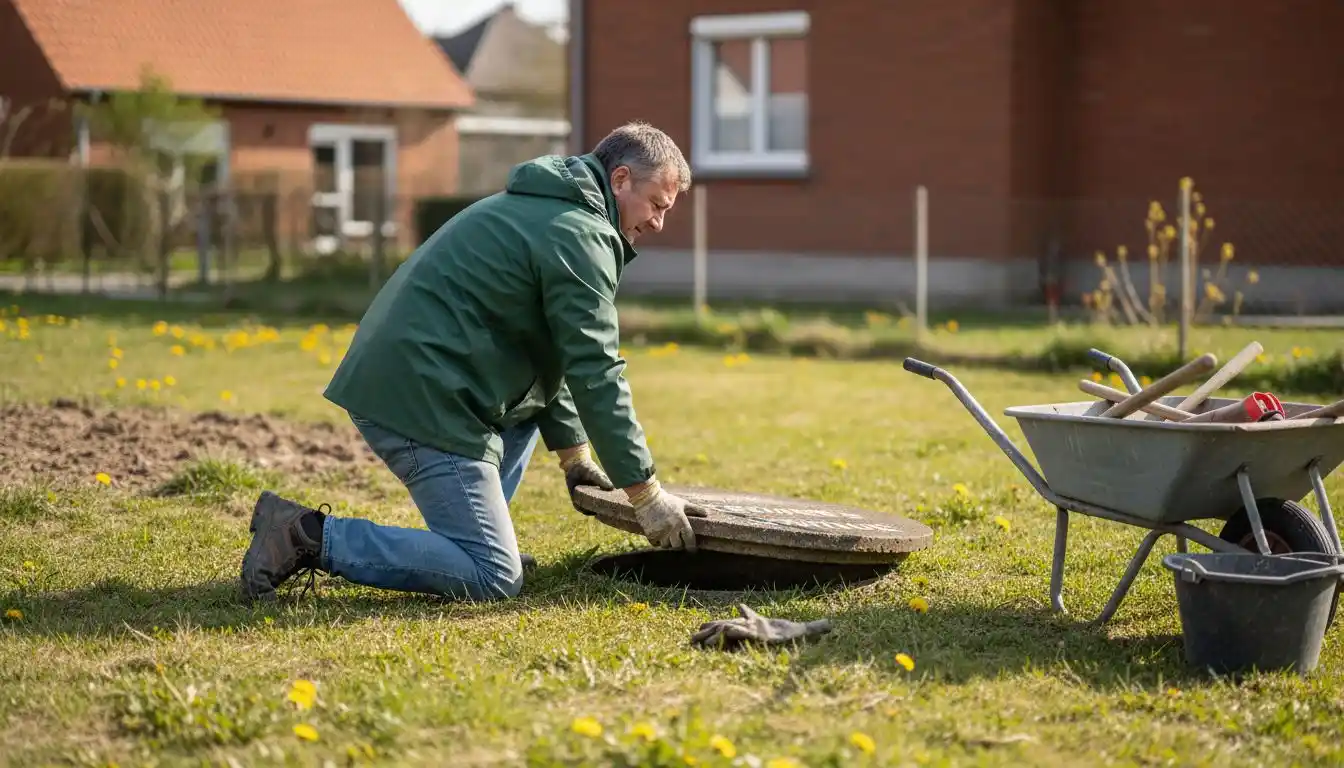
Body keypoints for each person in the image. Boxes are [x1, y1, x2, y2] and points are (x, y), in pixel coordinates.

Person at [239, 121, 707, 604]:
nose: (659, 223)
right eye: (657, 205)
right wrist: (645, 494)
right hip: (420, 393)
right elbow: (596, 370)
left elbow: (553, 352)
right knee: (494, 576)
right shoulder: (580, 233)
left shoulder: (554, 211)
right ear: (621, 179)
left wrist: (575, 457)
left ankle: (470, 545)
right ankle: (304, 535)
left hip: (433, 380)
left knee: (520, 431)